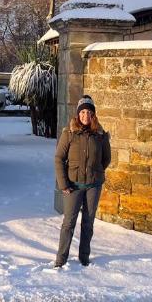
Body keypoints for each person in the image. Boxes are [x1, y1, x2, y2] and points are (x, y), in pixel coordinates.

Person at [54, 95, 111, 267]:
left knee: (88, 222)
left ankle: (84, 257)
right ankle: (61, 259)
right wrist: (63, 184)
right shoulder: (69, 133)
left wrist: (95, 172)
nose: (85, 116)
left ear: (93, 115)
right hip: (73, 186)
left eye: (89, 112)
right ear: (78, 114)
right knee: (68, 223)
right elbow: (58, 159)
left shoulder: (100, 135)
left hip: (93, 186)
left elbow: (106, 159)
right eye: (83, 112)